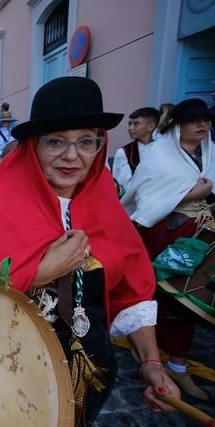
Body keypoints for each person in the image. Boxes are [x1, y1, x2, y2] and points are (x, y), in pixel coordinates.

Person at [0, 77, 180, 427]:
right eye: (56, 141)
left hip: (88, 379)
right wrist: (41, 272)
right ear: (33, 146)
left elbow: (132, 291)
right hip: (10, 382)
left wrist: (152, 363)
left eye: (86, 141)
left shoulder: (103, 195)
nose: (72, 156)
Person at [121, 98, 215, 400]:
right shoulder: (159, 157)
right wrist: (193, 193)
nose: (201, 125)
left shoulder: (210, 154)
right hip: (165, 237)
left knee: (188, 307)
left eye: (205, 120)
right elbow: (148, 200)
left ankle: (177, 363)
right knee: (164, 300)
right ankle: (155, 358)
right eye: (193, 121)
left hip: (200, 240)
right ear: (178, 126)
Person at [112, 107, 160, 192]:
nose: (130, 128)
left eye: (136, 124)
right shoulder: (124, 152)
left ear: (151, 127)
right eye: (129, 124)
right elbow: (122, 184)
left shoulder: (162, 149)